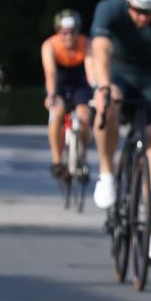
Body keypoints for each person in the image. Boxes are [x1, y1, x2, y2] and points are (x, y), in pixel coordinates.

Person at [91, 0, 151, 262]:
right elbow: (100, 49)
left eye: (148, 12)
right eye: (136, 10)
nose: (142, 18)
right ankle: (107, 172)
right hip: (120, 73)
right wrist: (104, 85)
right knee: (108, 103)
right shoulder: (108, 9)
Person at [42, 9, 93, 178]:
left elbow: (91, 71)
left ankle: (81, 156)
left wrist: (97, 90)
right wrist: (51, 95)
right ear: (58, 32)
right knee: (57, 113)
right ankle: (57, 160)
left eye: (72, 32)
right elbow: (50, 73)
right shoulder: (50, 45)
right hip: (59, 83)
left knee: (84, 116)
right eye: (64, 33)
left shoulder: (85, 44)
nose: (69, 37)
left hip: (80, 83)